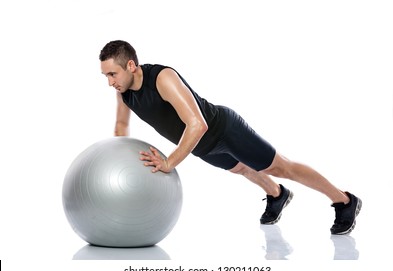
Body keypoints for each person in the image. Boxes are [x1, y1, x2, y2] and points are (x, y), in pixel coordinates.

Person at [99, 40, 362, 235]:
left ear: (131, 65)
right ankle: (277, 194)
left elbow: (197, 124)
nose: (110, 82)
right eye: (106, 76)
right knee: (242, 169)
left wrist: (169, 162)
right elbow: (121, 126)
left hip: (223, 130)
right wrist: (118, 163)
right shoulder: (124, 93)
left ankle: (344, 200)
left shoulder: (162, 78)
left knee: (282, 167)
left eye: (113, 74)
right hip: (202, 147)